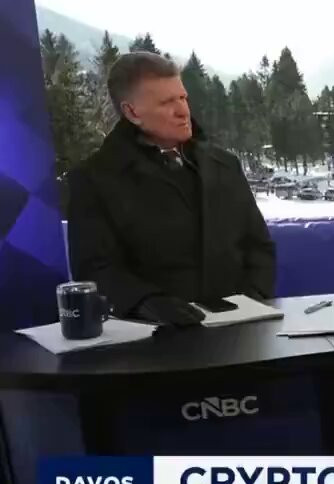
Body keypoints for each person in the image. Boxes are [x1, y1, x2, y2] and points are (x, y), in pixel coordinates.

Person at [67, 52, 276, 327]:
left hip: (242, 329)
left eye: (182, 98)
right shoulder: (93, 179)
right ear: (132, 112)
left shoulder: (225, 165)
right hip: (153, 337)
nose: (183, 111)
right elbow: (95, 267)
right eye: (167, 102)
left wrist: (253, 299)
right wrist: (146, 303)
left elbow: (258, 246)